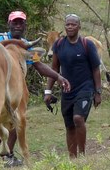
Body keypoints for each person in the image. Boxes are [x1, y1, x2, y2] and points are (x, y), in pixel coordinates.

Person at [0, 11, 70, 168]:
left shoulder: (26, 45)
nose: (18, 25)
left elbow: (38, 65)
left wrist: (58, 77)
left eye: (21, 23)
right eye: (14, 22)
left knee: (17, 122)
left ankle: (4, 157)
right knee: (0, 123)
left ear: (25, 26)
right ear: (9, 24)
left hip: (16, 89)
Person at [44, 14, 103, 158]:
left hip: (85, 87)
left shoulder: (86, 44)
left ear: (79, 27)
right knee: (69, 125)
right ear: (65, 27)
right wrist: (48, 91)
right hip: (67, 90)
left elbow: (96, 69)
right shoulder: (58, 45)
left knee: (78, 119)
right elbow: (54, 70)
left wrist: (98, 92)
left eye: (73, 24)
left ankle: (82, 155)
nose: (70, 27)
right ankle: (72, 158)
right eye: (68, 24)